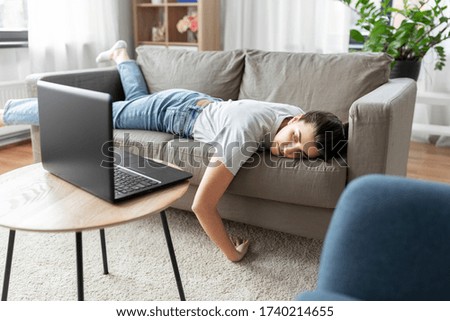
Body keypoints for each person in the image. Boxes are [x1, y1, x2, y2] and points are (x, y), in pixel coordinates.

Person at [2, 41, 348, 262]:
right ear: (297, 118)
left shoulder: (292, 112)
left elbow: (307, 137)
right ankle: (7, 111)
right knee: (97, 116)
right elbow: (203, 204)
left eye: (301, 155)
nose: (288, 149)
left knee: (134, 102)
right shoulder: (246, 132)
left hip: (196, 103)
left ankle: (122, 55)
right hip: (173, 112)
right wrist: (233, 254)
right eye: (294, 137)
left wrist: (311, 142)